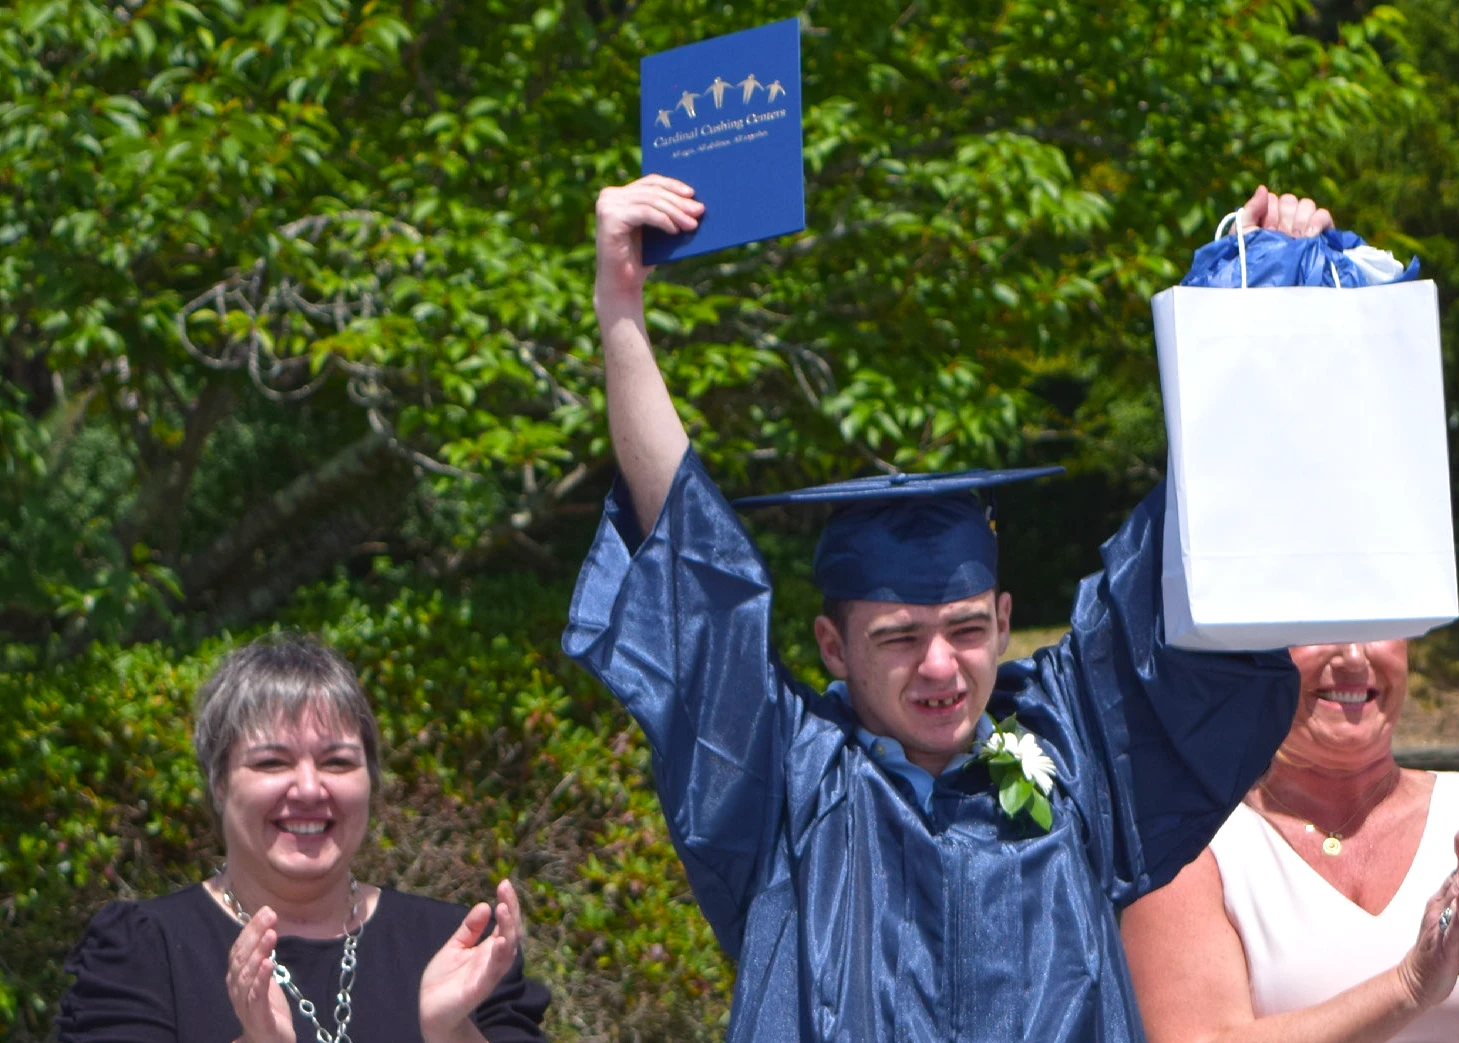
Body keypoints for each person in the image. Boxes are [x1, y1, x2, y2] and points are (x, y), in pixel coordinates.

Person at [560, 178, 1337, 1042]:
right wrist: (620, 304)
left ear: (1005, 621)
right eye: (898, 637)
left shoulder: (1073, 745)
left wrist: (1256, 302)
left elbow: (1187, 561)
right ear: (833, 645)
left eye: (967, 629)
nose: (941, 666)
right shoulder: (783, 779)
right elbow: (695, 575)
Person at [1120, 640, 1459, 1043]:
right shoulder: (1190, 850)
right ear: (1258, 649)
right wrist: (1408, 987)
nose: (1355, 658)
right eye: (1320, 628)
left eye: (1378, 626)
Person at [58, 634, 550, 1043]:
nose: (311, 789)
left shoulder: (458, 949)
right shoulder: (142, 951)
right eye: (272, 762)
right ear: (220, 783)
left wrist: (452, 1033)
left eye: (337, 761)